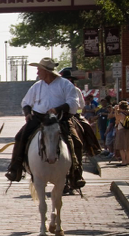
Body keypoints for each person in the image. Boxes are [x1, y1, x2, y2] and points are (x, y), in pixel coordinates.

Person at [5, 57, 85, 189]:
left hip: (60, 118)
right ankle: (15, 168)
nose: (37, 73)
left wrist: (58, 109)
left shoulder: (65, 84)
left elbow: (73, 102)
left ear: (46, 71)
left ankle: (76, 174)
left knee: (76, 141)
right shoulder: (37, 86)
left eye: (39, 70)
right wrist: (27, 113)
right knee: (20, 136)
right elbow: (26, 102)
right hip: (38, 118)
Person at [114, 101, 129, 166]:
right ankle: (128, 161)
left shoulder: (120, 114)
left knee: (121, 147)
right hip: (128, 130)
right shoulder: (128, 113)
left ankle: (124, 161)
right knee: (128, 147)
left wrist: (115, 110)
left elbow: (117, 121)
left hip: (121, 131)